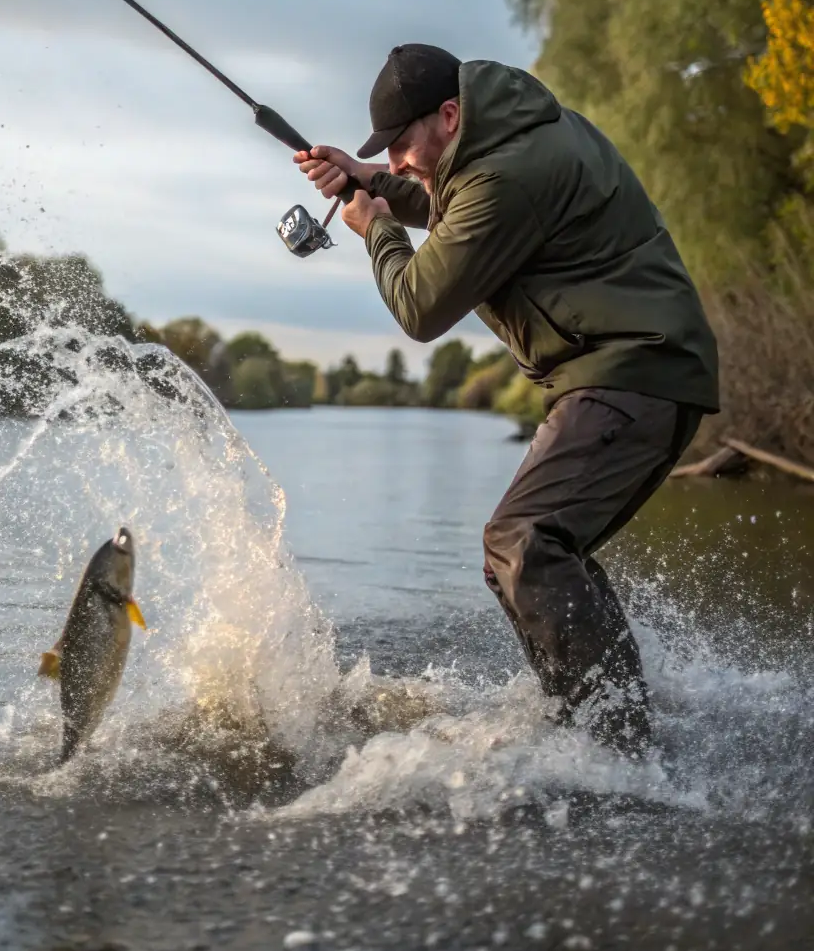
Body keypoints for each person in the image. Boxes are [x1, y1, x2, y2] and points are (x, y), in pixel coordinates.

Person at [295, 45, 719, 756]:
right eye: (388, 153)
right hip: (635, 368)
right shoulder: (515, 136)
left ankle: (618, 748)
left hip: (633, 370)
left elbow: (421, 304)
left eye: (400, 145)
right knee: (524, 555)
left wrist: (379, 230)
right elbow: (447, 199)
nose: (397, 161)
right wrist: (364, 178)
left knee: (524, 541)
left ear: (451, 115)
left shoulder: (506, 177)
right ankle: (598, 721)